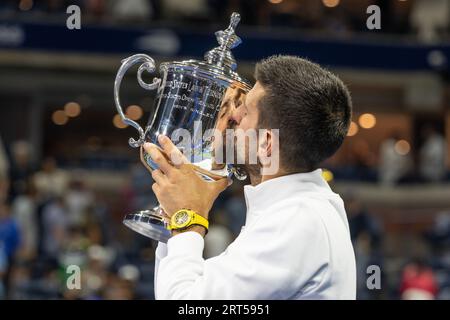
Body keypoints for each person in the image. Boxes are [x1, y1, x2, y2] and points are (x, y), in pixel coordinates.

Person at [146, 55, 356, 299]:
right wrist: (175, 209)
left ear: (266, 144)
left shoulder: (297, 221)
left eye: (244, 111)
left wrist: (188, 216)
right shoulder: (295, 211)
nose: (232, 116)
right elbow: (179, 289)